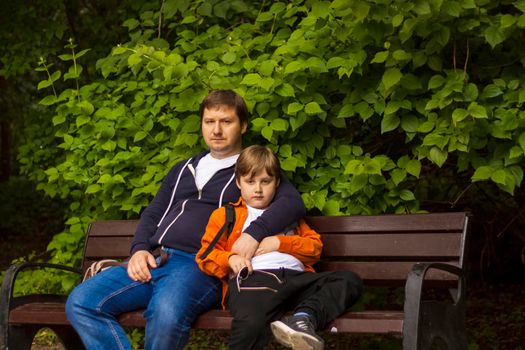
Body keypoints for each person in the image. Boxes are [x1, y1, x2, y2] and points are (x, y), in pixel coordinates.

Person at [65, 90, 306, 350]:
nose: (216, 130)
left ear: (243, 126)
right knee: (83, 301)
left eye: (226, 122)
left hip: (198, 266)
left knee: (165, 314)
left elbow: (292, 203)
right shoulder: (182, 168)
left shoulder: (250, 170)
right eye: (209, 121)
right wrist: (139, 249)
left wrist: (253, 233)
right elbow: (154, 212)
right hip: (156, 259)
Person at [196, 145, 363, 350]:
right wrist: (230, 259)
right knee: (251, 324)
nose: (258, 189)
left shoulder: (287, 215)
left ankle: (303, 319)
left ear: (277, 182)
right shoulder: (226, 215)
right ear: (238, 182)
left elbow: (315, 248)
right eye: (250, 181)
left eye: (265, 181)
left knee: (348, 280)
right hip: (255, 279)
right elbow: (205, 255)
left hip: (296, 280)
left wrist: (279, 243)